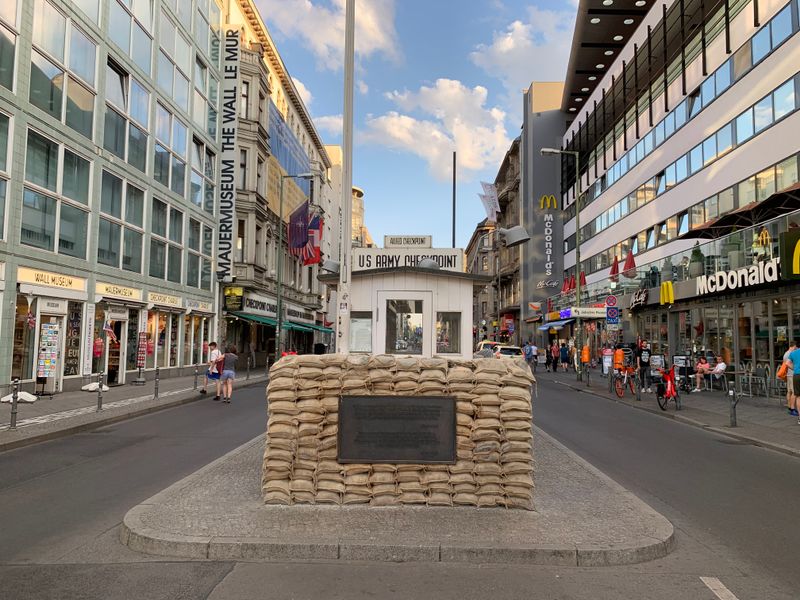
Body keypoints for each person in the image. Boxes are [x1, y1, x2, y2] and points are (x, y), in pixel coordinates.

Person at [786, 341, 800, 424]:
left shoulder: (793, 353)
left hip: (797, 375)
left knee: (798, 396)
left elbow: (787, 363)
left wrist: (795, 369)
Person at [783, 341, 798, 416]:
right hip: (792, 374)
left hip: (788, 375)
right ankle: (792, 409)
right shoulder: (792, 353)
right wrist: (795, 369)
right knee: (794, 392)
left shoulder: (786, 353)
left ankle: (789, 407)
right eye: (796, 347)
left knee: (789, 391)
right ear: (794, 346)